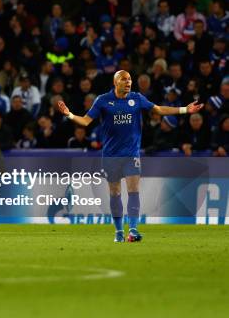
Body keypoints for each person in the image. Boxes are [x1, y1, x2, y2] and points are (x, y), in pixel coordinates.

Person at [58, 70, 203, 242]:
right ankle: (118, 232)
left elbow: (158, 109)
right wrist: (70, 115)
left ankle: (133, 230)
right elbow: (86, 121)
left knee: (134, 190)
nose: (128, 82)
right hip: (111, 155)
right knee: (115, 193)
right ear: (115, 82)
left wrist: (185, 109)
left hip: (131, 154)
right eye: (124, 79)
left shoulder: (137, 98)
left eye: (130, 80)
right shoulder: (103, 100)